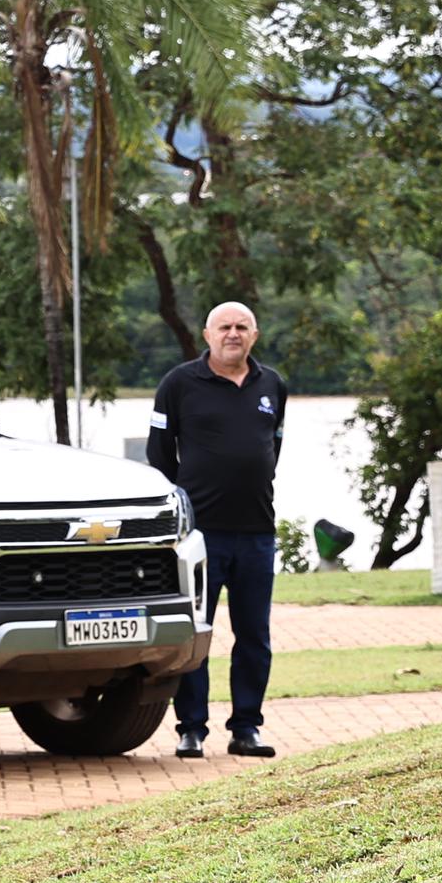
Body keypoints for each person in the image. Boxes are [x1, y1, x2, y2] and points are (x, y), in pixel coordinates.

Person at [148, 300, 287, 758]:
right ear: (206, 334)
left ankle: (246, 728)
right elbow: (160, 456)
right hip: (199, 537)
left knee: (254, 637)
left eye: (242, 327)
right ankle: (192, 728)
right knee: (195, 634)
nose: (233, 333)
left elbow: (273, 447)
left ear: (255, 334)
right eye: (224, 327)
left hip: (257, 533)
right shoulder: (178, 384)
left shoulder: (273, 385)